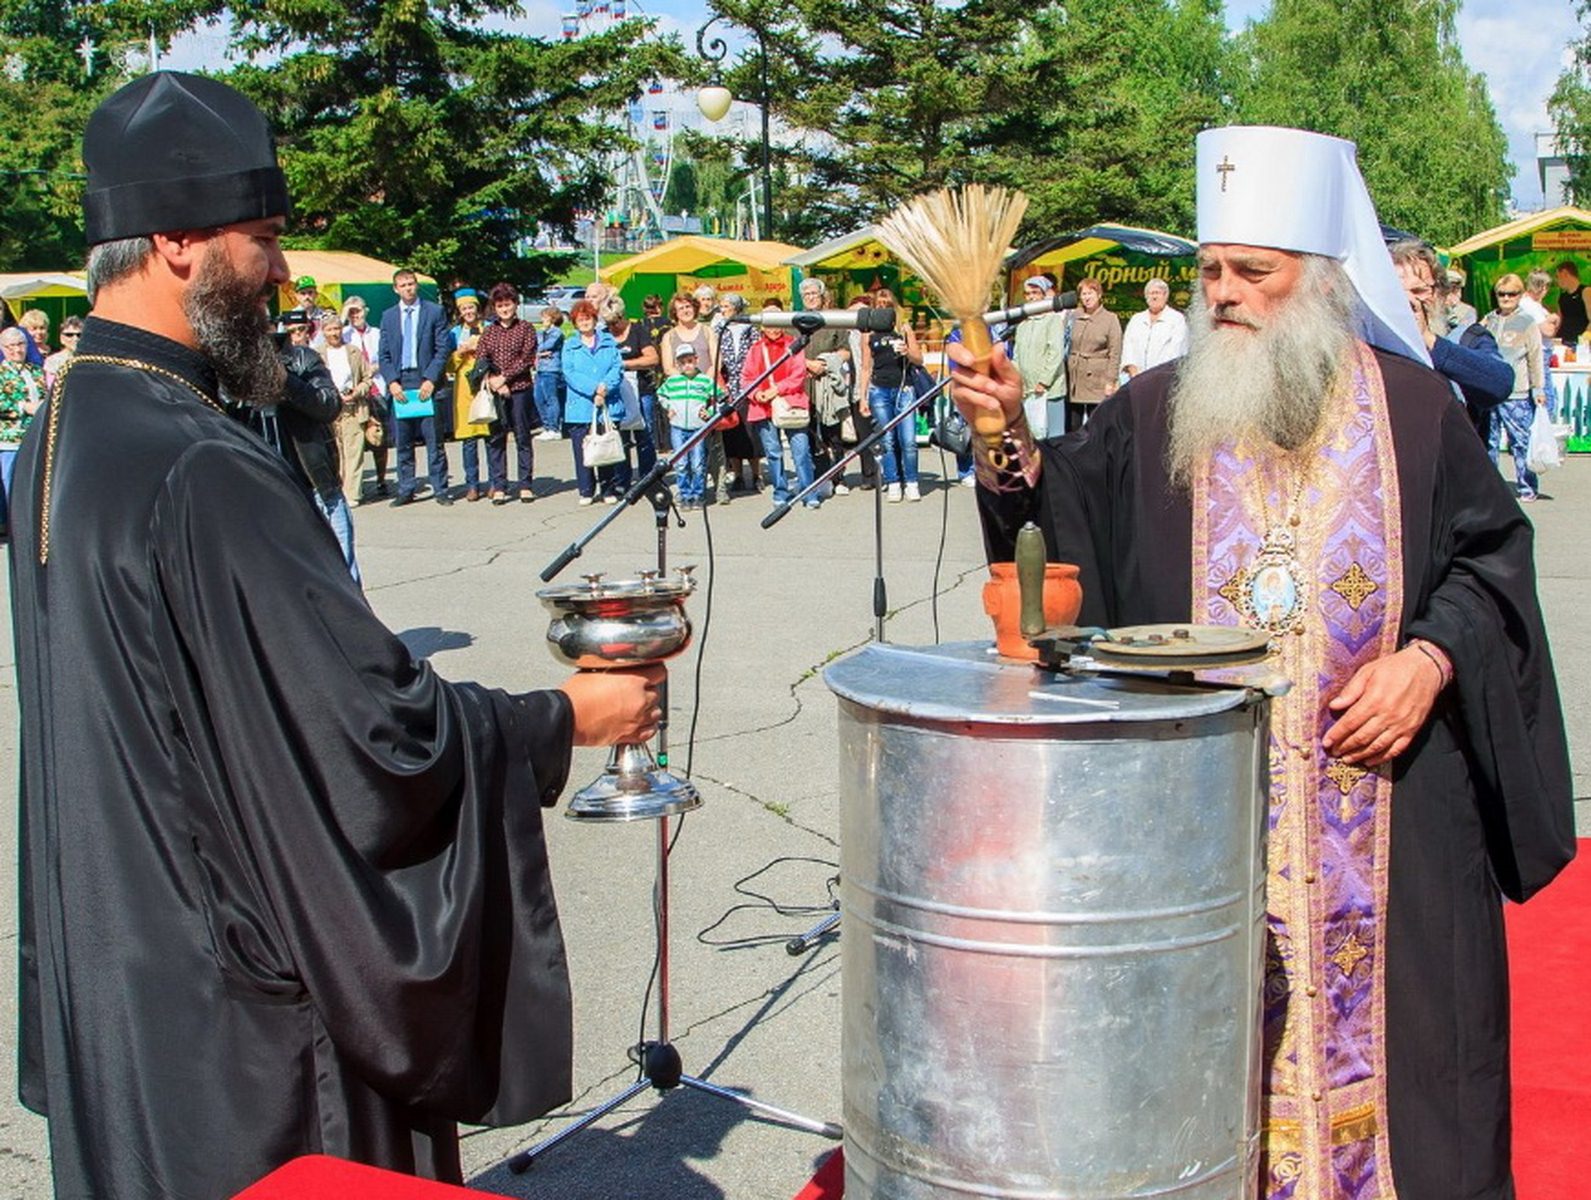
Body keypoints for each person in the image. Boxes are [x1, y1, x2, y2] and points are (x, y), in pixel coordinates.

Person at [9, 71, 664, 1200]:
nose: (282, 272)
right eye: (261, 239)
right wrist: (563, 721)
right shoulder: (202, 464)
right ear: (174, 237)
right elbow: (367, 736)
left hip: (122, 960)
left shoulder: (68, 422)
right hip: (243, 1013)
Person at [951, 124, 1573, 1200]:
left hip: (1393, 813)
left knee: (1417, 1100)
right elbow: (1061, 538)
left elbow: (1492, 567)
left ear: (1321, 281)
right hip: (1206, 835)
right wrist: (1007, 434)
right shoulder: (1157, 414)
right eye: (1208, 272)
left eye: (1252, 272)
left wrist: (1426, 661)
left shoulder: (1419, 413)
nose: (1222, 293)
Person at [1388, 240, 1511, 435]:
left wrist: (1428, 338)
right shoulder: (1370, 345)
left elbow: (1500, 384)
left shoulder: (1469, 337)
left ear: (1440, 294)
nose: (1410, 302)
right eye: (1397, 294)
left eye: (1419, 291)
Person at [378, 267, 453, 505]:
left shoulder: (434, 311)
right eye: (403, 285)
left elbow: (443, 349)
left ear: (416, 284)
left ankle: (440, 489)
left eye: (411, 283)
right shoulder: (388, 316)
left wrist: (431, 378)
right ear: (395, 289)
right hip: (401, 383)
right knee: (403, 442)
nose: (408, 288)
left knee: (434, 442)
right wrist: (391, 382)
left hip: (426, 381)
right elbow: (384, 354)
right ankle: (406, 489)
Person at [743, 299, 820, 508]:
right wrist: (757, 394)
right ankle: (780, 491)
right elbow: (747, 378)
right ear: (762, 326)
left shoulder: (793, 344)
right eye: (769, 323)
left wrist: (776, 389)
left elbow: (798, 374)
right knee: (773, 453)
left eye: (777, 322)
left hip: (791, 404)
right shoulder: (755, 349)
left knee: (801, 451)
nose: (773, 328)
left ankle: (808, 491)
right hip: (763, 407)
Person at [1481, 273, 1548, 502]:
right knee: (1489, 441)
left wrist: (1538, 388)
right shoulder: (1489, 319)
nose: (1506, 298)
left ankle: (1527, 487)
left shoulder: (1527, 322)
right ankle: (1490, 488)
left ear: (1520, 295)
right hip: (1490, 391)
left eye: (1512, 294)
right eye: (1502, 294)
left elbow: (1536, 357)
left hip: (1516, 392)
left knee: (1520, 441)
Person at [859, 287, 923, 502]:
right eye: (879, 305)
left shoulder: (903, 328)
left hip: (904, 388)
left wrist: (908, 352)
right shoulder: (868, 333)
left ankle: (912, 482)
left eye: (887, 306)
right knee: (887, 439)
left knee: (908, 440)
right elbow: (866, 367)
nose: (883, 309)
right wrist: (863, 397)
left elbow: (919, 359)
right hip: (879, 389)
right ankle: (893, 481)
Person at [478, 282, 540, 503]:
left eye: (508, 304)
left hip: (520, 390)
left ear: (515, 304)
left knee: (522, 436)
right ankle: (500, 485)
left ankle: (525, 484)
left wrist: (506, 378)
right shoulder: (489, 331)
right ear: (494, 307)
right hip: (496, 391)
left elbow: (527, 358)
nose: (505, 309)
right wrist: (494, 380)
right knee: (496, 438)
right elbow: (482, 358)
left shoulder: (526, 328)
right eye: (500, 305)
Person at [561, 296, 626, 504]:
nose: (585, 322)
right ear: (575, 322)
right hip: (580, 406)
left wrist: (604, 387)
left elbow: (617, 368)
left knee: (605, 447)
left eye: (588, 318)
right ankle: (586, 490)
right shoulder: (570, 345)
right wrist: (593, 389)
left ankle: (608, 489)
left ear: (594, 319)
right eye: (580, 319)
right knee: (583, 450)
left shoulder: (608, 342)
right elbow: (569, 373)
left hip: (607, 401)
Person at [798, 276, 853, 495]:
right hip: (804, 387)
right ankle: (816, 479)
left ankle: (839, 478)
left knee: (834, 435)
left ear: (822, 296)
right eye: (807, 294)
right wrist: (808, 364)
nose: (811, 298)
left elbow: (845, 351)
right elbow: (788, 352)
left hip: (829, 387)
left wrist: (825, 362)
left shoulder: (833, 320)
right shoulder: (796, 321)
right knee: (809, 434)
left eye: (814, 293)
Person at [321, 313, 376, 506]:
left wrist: (357, 391)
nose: (334, 333)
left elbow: (368, 378)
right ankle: (337, 489)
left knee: (354, 452)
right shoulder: (318, 353)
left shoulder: (353, 351)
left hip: (353, 408)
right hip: (330, 410)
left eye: (337, 328)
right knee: (335, 452)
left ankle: (352, 493)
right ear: (323, 332)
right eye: (329, 329)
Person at [447, 291, 496, 502]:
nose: (468, 312)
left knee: (490, 438)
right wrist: (460, 352)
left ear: (477, 308)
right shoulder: (454, 333)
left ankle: (495, 482)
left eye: (471, 307)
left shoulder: (489, 329)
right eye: (464, 309)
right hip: (464, 391)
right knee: (468, 441)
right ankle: (472, 485)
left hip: (485, 387)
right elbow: (448, 366)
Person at [656, 341, 715, 508]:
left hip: (698, 428)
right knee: (681, 463)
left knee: (697, 464)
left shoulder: (705, 381)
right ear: (677, 364)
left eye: (689, 361)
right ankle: (684, 494)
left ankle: (698, 495)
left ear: (696, 360)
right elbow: (661, 394)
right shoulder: (673, 382)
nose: (686, 365)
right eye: (682, 363)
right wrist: (668, 407)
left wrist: (709, 412)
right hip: (678, 427)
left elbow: (720, 397)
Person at [716, 292, 763, 495]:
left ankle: (756, 474)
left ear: (736, 308)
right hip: (728, 388)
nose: (723, 310)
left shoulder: (750, 329)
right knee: (731, 433)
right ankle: (736, 474)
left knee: (751, 432)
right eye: (722, 306)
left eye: (726, 306)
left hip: (748, 386)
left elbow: (758, 355)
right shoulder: (719, 329)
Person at [1011, 274, 1069, 438]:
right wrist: (1018, 381)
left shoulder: (1052, 320)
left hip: (1049, 391)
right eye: (1028, 294)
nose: (1031, 297)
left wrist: (1044, 381)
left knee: (1054, 437)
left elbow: (1056, 353)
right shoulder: (1023, 325)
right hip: (1028, 391)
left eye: (1035, 293)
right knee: (1032, 436)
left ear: (1043, 295)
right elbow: (1016, 357)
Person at [0, 325, 44, 536]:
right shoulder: (2, 373)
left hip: (35, 436)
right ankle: (16, 528)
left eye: (20, 344)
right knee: (11, 483)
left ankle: (32, 525)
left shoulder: (35, 371)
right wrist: (23, 407)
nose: (17, 350)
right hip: (11, 439)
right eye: (11, 346)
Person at [343, 296, 390, 493]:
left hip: (377, 389)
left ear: (366, 311)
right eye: (351, 312)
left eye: (359, 311)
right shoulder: (344, 334)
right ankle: (354, 483)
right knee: (353, 441)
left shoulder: (378, 334)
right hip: (354, 394)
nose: (356, 315)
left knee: (379, 438)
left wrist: (375, 367)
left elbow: (388, 357)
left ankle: (381, 479)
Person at [1064, 277, 1122, 428]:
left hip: (1097, 380)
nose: (1087, 298)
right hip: (1074, 379)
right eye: (1083, 294)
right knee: (1072, 426)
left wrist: (1111, 380)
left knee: (1096, 425)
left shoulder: (1110, 319)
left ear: (1099, 295)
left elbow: (1115, 352)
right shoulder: (1072, 316)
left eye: (1090, 293)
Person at [1120, 277, 1189, 379]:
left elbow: (1177, 351)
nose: (1154, 297)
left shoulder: (1176, 319)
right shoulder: (1136, 319)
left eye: (1157, 293)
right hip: (1136, 379)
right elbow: (1128, 347)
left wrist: (1157, 374)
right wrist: (1132, 369)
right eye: (1151, 293)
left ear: (1165, 296)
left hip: (1164, 378)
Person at [534, 304, 566, 439]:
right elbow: (535, 347)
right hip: (540, 369)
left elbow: (547, 346)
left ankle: (554, 428)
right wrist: (539, 352)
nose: (542, 321)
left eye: (545, 318)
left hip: (552, 369)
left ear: (552, 319)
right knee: (538, 398)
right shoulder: (542, 333)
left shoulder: (557, 333)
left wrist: (540, 351)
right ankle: (546, 426)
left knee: (551, 398)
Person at [43, 314, 82, 390]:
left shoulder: (91, 358)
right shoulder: (53, 361)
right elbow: (52, 388)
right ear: (61, 338)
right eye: (69, 335)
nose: (75, 339)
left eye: (79, 335)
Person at [1553, 260, 1589, 344]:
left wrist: (1584, 340)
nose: (1557, 280)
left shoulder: (1586, 291)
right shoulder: (1562, 296)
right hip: (1563, 342)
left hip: (1581, 343)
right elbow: (1559, 320)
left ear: (1565, 273)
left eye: (1557, 276)